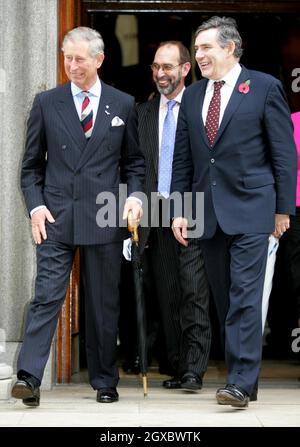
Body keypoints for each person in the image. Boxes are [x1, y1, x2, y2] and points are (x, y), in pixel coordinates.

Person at [11, 26, 144, 406]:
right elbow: (30, 167)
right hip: (55, 216)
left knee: (103, 302)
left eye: (80, 58)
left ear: (99, 60)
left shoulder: (122, 104)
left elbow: (134, 162)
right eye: (67, 58)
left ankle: (104, 379)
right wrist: (36, 206)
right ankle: (29, 376)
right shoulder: (46, 102)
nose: (72, 65)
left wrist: (135, 196)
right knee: (47, 295)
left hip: (104, 214)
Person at [171, 16, 297, 408]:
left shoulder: (263, 87)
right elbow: (183, 160)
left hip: (252, 211)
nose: (199, 54)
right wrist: (180, 210)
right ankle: (246, 380)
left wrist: (282, 209)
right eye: (197, 48)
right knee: (226, 301)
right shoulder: (192, 96)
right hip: (207, 215)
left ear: (230, 48)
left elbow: (284, 154)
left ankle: (239, 383)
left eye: (206, 47)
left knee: (245, 296)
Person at [137, 41, 211, 390]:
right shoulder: (144, 113)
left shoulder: (201, 106)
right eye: (156, 67)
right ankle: (179, 366)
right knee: (167, 291)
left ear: (185, 69)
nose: (160, 74)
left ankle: (195, 369)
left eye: (167, 67)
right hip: (155, 212)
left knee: (193, 289)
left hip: (193, 207)